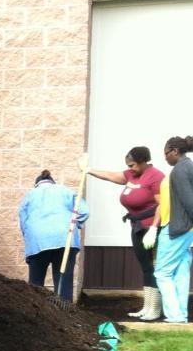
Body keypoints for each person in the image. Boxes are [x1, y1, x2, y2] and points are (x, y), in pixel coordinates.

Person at [88, 147, 166, 319]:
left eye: (132, 165)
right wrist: (89, 170)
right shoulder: (132, 175)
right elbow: (111, 175)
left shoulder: (155, 176)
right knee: (145, 267)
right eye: (128, 165)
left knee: (154, 267)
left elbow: (162, 204)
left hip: (151, 227)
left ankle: (155, 308)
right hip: (137, 226)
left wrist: (154, 228)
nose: (130, 168)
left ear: (144, 161)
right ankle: (147, 306)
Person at [17, 170, 90, 302]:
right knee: (64, 281)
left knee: (35, 284)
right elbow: (84, 211)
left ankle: (35, 312)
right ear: (52, 182)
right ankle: (65, 314)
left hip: (37, 242)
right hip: (65, 239)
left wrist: (29, 239)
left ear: (36, 184)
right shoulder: (65, 191)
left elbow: (23, 223)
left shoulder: (29, 195)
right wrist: (75, 224)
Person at [156, 135, 193, 323]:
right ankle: (181, 315)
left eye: (166, 153)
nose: (165, 158)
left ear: (175, 151)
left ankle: (175, 315)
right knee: (181, 270)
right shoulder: (189, 166)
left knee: (162, 272)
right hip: (188, 230)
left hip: (178, 228)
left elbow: (189, 201)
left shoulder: (179, 170)